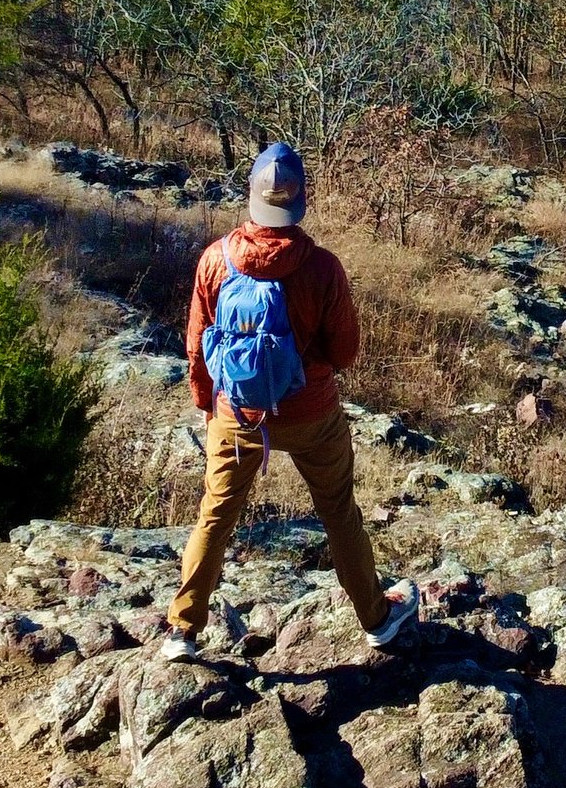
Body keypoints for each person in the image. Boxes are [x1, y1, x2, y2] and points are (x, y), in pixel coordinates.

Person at [160, 141, 416, 661]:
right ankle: (377, 620)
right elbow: (344, 353)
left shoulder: (216, 260)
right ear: (300, 201)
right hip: (312, 413)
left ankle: (183, 631)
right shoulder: (321, 267)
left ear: (251, 197)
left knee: (216, 515)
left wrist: (210, 406)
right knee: (338, 512)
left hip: (238, 414)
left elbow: (196, 344)